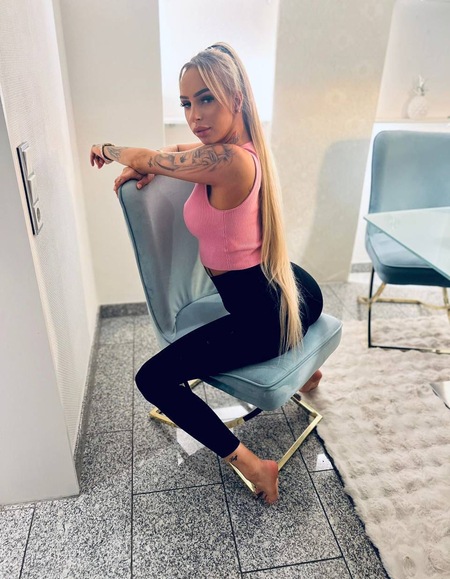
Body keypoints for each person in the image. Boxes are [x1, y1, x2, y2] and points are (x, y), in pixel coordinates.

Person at [90, 43, 323, 504]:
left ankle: (255, 465)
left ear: (236, 97)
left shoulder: (229, 162)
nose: (194, 115)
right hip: (297, 288)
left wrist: (106, 149)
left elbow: (153, 157)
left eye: (206, 98)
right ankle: (308, 374)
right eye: (185, 103)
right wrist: (151, 162)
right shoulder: (240, 149)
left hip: (262, 316)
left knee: (152, 380)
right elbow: (174, 151)